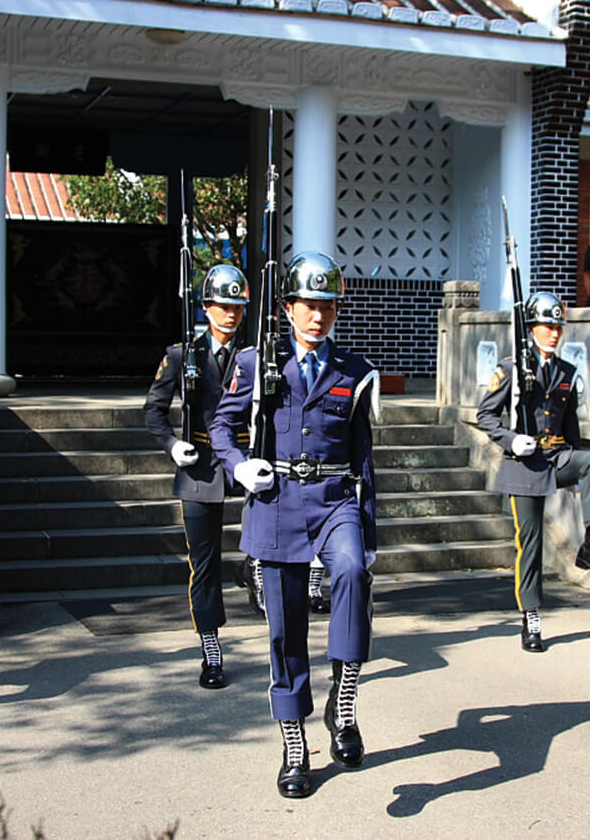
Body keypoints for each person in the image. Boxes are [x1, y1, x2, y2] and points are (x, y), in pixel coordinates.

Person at [210, 251, 378, 799]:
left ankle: (344, 700)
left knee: (352, 571)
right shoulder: (257, 362)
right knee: (286, 634)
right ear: (286, 307)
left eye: (327, 306)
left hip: (334, 499)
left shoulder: (354, 371)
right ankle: (294, 744)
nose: (318, 317)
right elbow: (221, 426)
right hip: (277, 500)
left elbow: (363, 457)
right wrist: (239, 466)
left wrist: (369, 530)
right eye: (308, 305)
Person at [476, 292, 590, 653]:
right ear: (531, 327)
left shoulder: (567, 372)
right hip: (523, 462)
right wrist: (510, 440)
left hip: (555, 455)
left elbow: (571, 426)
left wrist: (574, 465)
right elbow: (486, 415)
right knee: (532, 543)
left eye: (558, 326)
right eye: (547, 326)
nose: (554, 333)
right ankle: (532, 617)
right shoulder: (510, 369)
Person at [145, 264, 255, 689]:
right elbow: (153, 411)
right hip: (201, 463)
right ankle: (211, 648)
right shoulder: (181, 355)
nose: (230, 314)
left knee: (267, 543)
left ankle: (252, 571)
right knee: (204, 563)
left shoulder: (255, 355)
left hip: (246, 459)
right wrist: (173, 445)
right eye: (223, 306)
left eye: (237, 307)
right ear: (207, 308)